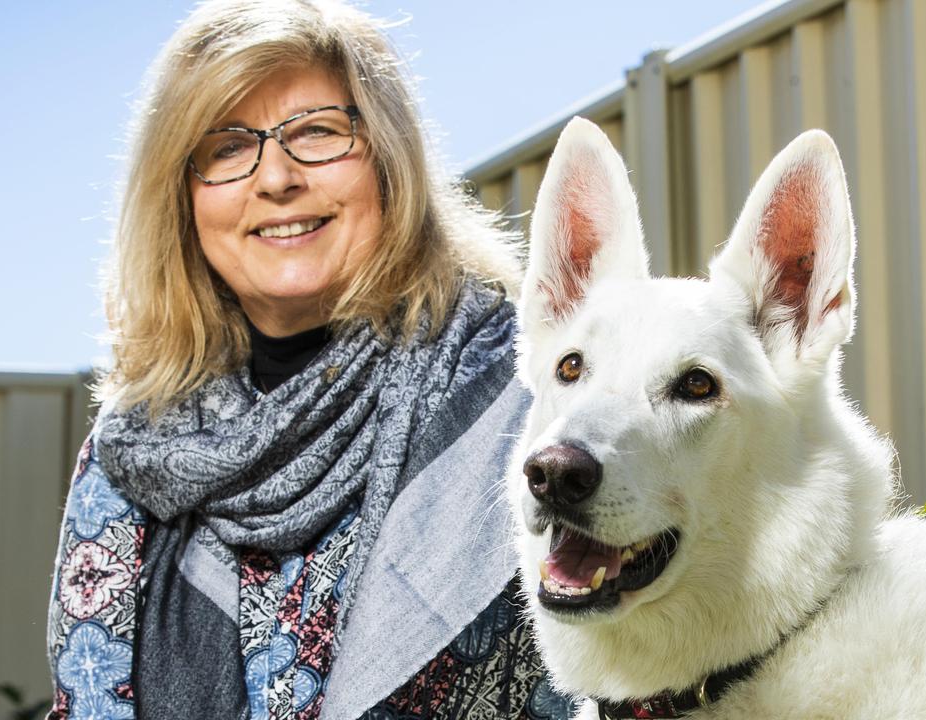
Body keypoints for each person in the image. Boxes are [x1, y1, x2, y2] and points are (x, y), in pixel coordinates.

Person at [45, 1, 574, 717]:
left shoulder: (525, 397)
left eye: (317, 132)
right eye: (228, 146)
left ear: (389, 161)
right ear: (182, 196)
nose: (276, 177)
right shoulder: (132, 450)